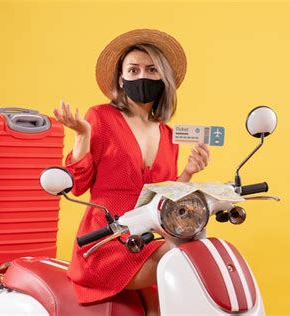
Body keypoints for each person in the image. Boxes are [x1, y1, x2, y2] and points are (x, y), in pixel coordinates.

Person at [52, 29, 210, 315]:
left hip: (147, 236)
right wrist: (82, 135)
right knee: (181, 258)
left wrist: (187, 173)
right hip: (107, 239)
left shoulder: (167, 132)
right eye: (133, 70)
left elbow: (163, 198)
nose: (142, 77)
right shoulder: (100, 117)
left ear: (163, 78)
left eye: (151, 70)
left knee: (194, 254)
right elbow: (77, 185)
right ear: (121, 79)